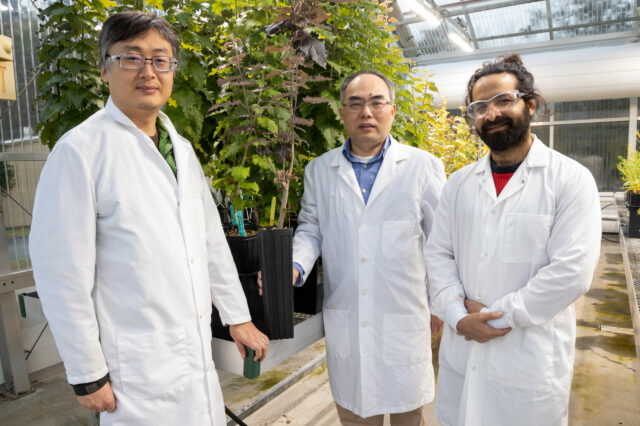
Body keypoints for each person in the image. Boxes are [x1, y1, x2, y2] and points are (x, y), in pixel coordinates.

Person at [29, 11, 268, 425]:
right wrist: (87, 374)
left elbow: (209, 241)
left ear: (173, 70)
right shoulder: (81, 152)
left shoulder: (182, 150)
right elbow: (61, 274)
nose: (148, 71)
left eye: (160, 59)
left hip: (192, 360)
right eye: (131, 58)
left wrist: (237, 315)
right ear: (104, 68)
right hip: (134, 373)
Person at [425, 54, 601, 425]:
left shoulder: (570, 179)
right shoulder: (458, 184)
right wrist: (458, 317)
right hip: (463, 353)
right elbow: (438, 255)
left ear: (530, 104)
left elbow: (572, 273)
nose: (491, 114)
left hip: (529, 361)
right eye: (479, 107)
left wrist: (495, 317)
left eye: (503, 100)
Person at [291, 70, 446, 425]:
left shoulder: (423, 167)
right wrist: (296, 266)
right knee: (356, 414)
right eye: (356, 104)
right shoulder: (319, 170)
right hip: (347, 312)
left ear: (392, 111)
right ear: (342, 112)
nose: (366, 113)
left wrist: (440, 300)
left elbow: (440, 239)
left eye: (377, 103)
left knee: (409, 416)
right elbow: (310, 228)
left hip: (403, 315)